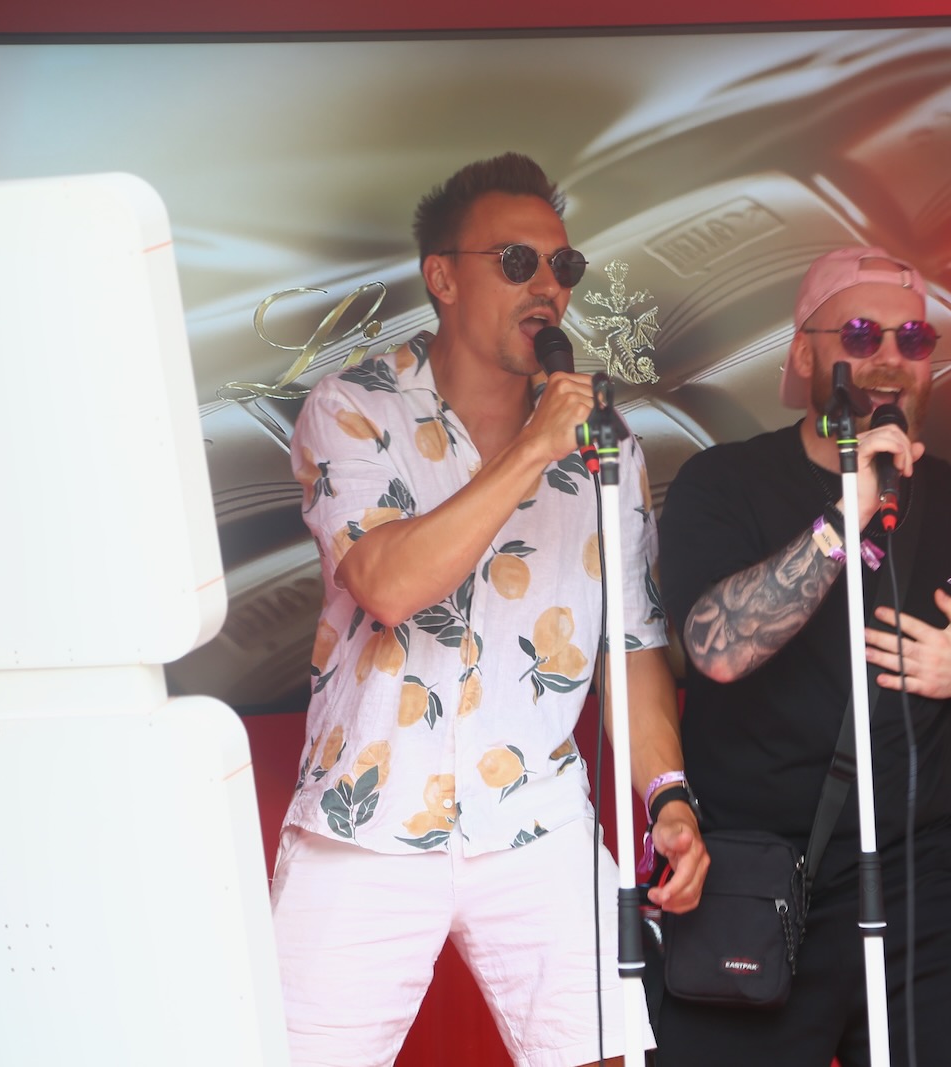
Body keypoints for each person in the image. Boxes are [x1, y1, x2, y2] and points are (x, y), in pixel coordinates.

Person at [272, 152, 706, 1067]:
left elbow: (631, 645)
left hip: (534, 815)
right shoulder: (353, 409)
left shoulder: (607, 447)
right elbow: (388, 584)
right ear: (442, 277)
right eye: (517, 262)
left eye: (563, 265)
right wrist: (534, 449)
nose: (548, 285)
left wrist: (667, 796)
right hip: (368, 819)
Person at [654, 247, 951, 1065]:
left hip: (921, 873)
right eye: (861, 335)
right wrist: (846, 511)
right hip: (755, 874)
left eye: (914, 338)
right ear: (805, 355)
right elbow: (714, 650)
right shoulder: (721, 483)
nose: (891, 357)